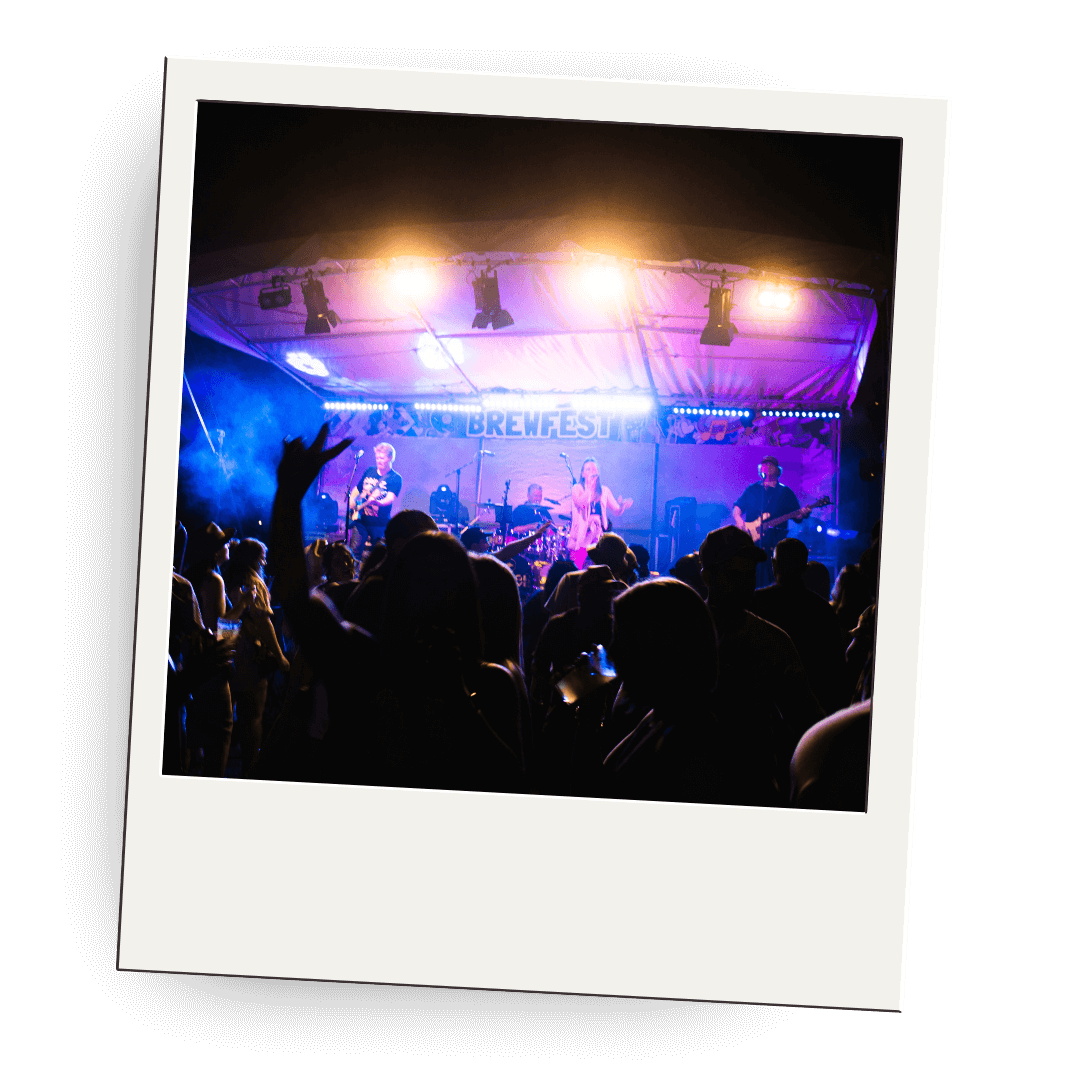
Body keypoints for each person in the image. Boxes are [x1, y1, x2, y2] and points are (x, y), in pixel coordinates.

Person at [747, 538, 849, 715]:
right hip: (812, 703)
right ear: (804, 568)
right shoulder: (822, 608)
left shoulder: (755, 602)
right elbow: (835, 665)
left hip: (765, 704)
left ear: (774, 564)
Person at [732, 456, 808, 586]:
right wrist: (740, 522)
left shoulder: (785, 492)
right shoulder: (752, 489)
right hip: (752, 542)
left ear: (777, 470)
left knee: (774, 578)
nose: (767, 466)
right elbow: (737, 508)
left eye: (770, 464)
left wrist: (804, 513)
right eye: (764, 464)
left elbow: (797, 516)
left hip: (775, 544)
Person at [567, 458, 633, 569]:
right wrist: (589, 488)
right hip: (580, 539)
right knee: (578, 571)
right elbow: (582, 504)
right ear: (582, 474)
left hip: (598, 539)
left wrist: (622, 506)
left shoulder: (604, 491)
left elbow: (616, 511)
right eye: (588, 469)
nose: (592, 472)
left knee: (598, 571)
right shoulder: (576, 489)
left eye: (594, 469)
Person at [348, 442, 402, 557]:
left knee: (378, 555)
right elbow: (357, 489)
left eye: (382, 458)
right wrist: (352, 499)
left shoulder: (395, 478)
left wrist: (377, 502)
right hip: (361, 521)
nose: (379, 461)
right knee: (354, 553)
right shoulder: (369, 471)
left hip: (379, 524)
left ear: (390, 458)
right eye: (377, 458)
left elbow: (389, 499)